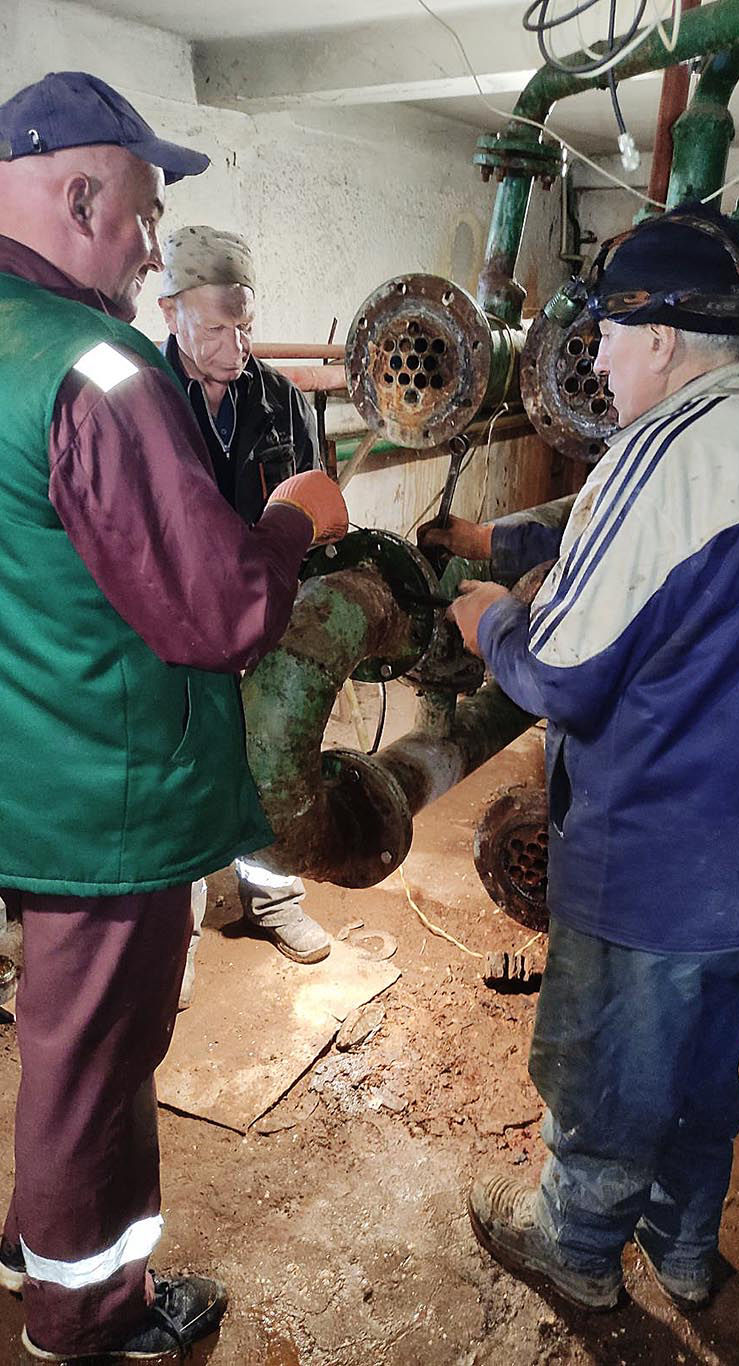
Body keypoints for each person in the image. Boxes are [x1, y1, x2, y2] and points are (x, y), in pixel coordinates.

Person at [0, 71, 347, 1361]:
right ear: (80, 195)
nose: (153, 249)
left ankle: (37, 1236)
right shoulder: (96, 368)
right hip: (111, 789)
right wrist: (296, 519)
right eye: (146, 215)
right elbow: (219, 612)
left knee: (59, 1039)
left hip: (27, 757)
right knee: (97, 1055)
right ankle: (88, 1312)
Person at [423, 203, 739, 1312]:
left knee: (611, 1068)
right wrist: (503, 540)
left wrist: (486, 618)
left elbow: (563, 674)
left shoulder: (660, 455)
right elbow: (665, 573)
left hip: (653, 850)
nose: (601, 364)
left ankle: (575, 1248)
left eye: (609, 339)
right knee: (705, 1070)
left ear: (660, 335)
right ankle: (683, 1248)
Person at [157, 226, 331, 983]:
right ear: (170, 313)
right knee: (182, 774)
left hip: (267, 623)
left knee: (272, 756)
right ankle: (180, 932)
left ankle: (272, 896)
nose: (237, 348)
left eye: (247, 327)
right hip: (179, 629)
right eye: (216, 330)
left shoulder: (281, 402)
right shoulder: (147, 402)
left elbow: (313, 503)